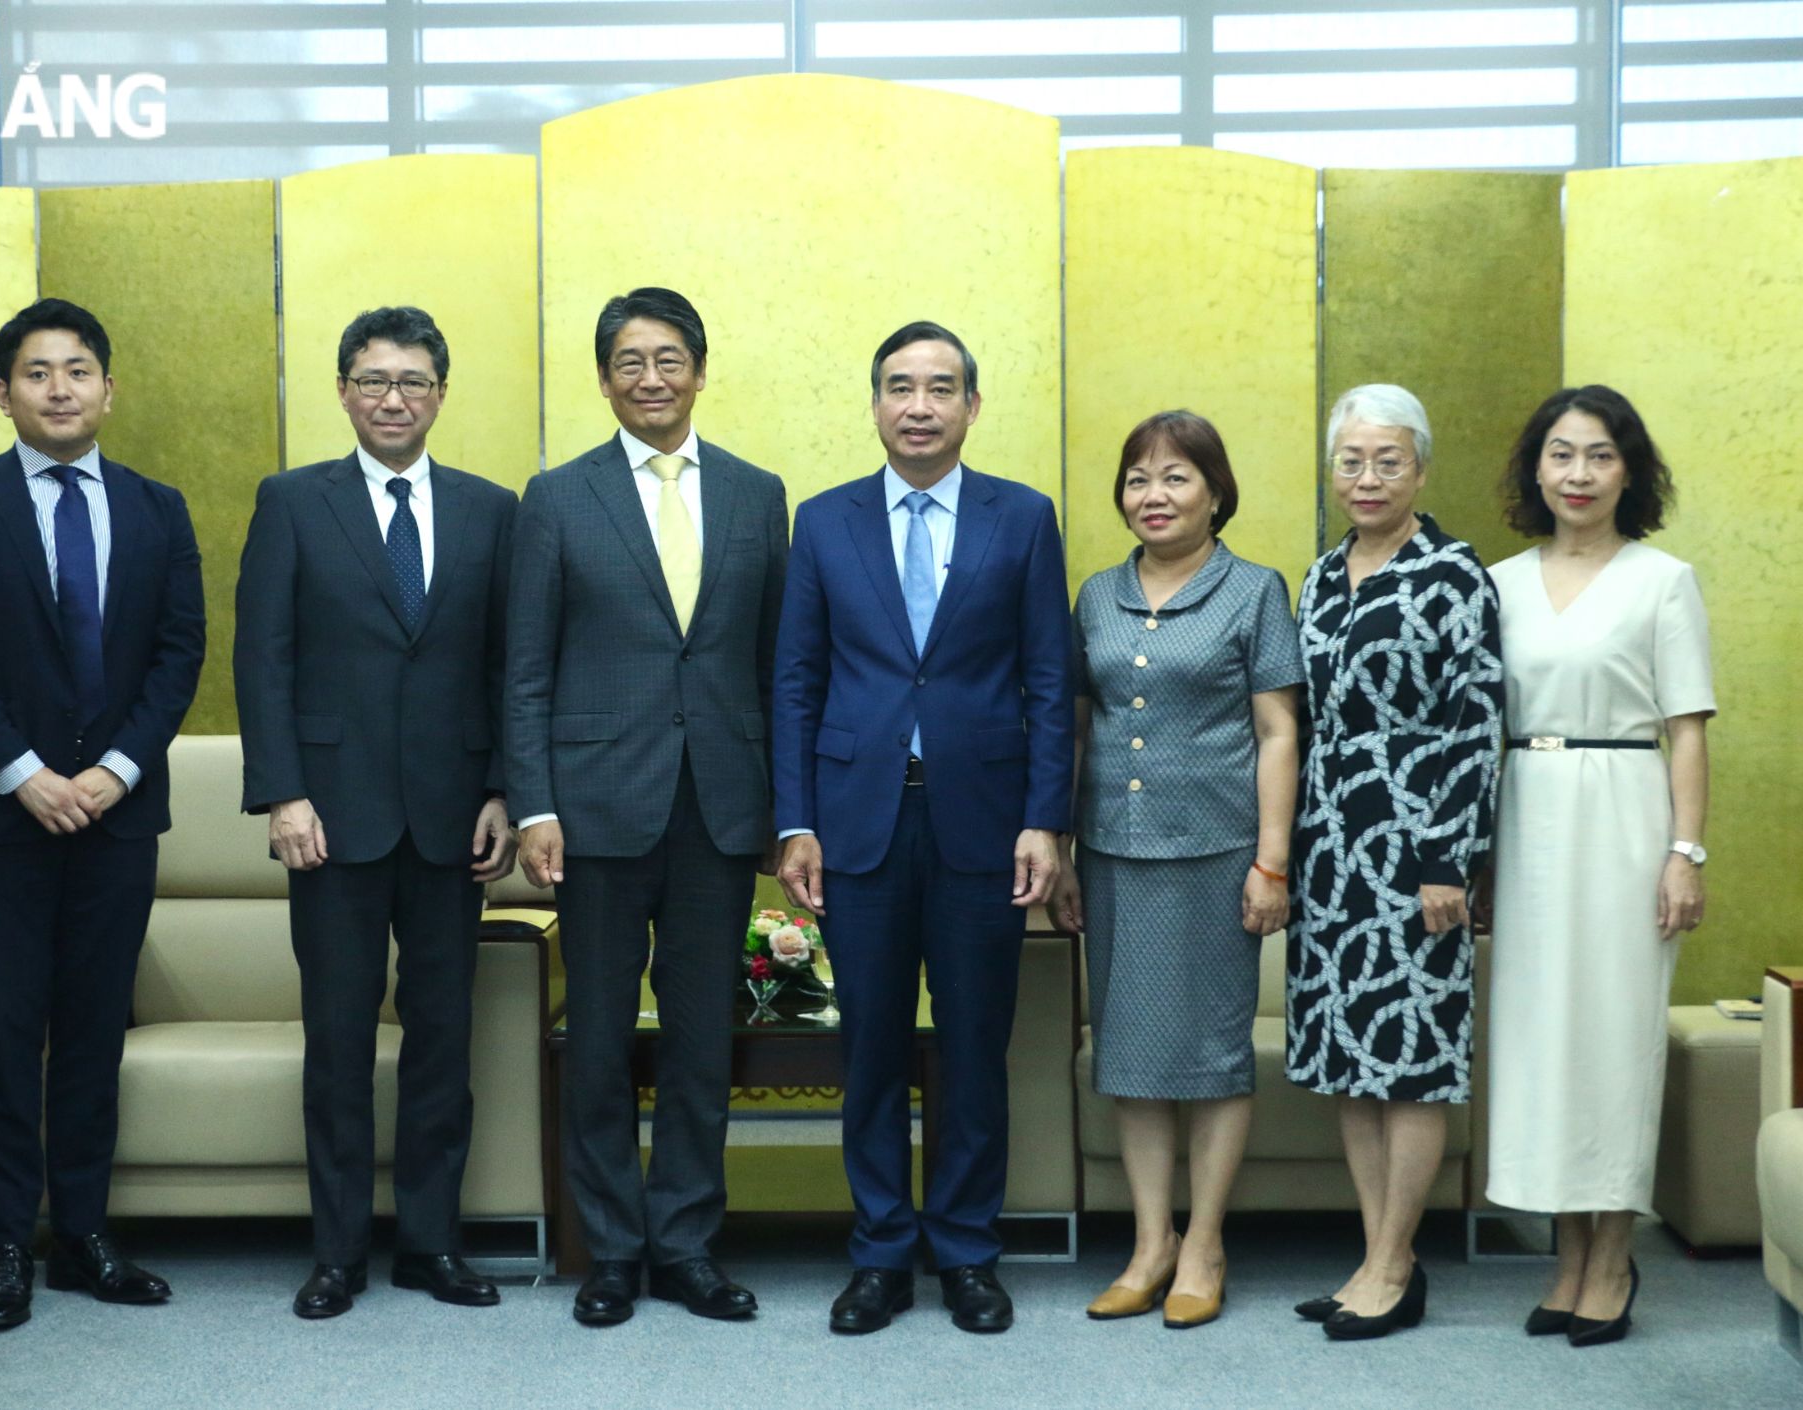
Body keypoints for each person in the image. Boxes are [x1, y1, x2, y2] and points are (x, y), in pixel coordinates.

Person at [0, 298, 205, 1332]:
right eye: (38, 373)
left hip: (117, 817)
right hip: (0, 819)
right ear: (4, 393)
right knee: (3, 1030)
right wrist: (24, 772)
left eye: (79, 370)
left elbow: (179, 653)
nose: (60, 388)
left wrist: (117, 769)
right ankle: (4, 1250)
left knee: (90, 1035)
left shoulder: (159, 508)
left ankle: (82, 1236)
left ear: (108, 390)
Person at [773, 321, 1075, 1336]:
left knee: (975, 1048)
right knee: (865, 1049)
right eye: (898, 386)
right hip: (856, 823)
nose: (918, 404)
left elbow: (1046, 679)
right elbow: (795, 683)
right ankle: (878, 1254)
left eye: (939, 387)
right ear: (872, 404)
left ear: (971, 407)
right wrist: (794, 821)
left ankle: (966, 1250)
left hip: (984, 827)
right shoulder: (822, 522)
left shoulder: (1022, 518)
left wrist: (1046, 818)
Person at [506, 288, 788, 1328]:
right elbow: (524, 668)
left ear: (700, 371)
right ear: (603, 378)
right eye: (629, 361)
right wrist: (533, 800)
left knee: (703, 1039)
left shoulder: (760, 496)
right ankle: (612, 1251)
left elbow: (773, 666)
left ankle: (685, 1245)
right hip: (592, 808)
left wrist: (782, 808)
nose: (651, 378)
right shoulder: (557, 496)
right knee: (595, 1045)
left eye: (668, 359)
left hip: (718, 805)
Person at [234, 306, 518, 1319]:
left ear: (440, 393)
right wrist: (282, 793)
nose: (391, 398)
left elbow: (503, 666)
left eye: (411, 382)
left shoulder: (493, 511)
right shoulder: (292, 502)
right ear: (343, 390)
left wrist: (502, 792)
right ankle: (338, 1253)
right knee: (339, 1039)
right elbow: (260, 657)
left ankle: (433, 1246)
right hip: (331, 818)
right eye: (371, 380)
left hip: (452, 822)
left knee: (444, 1040)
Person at [1048, 411, 1301, 1329]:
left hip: (1219, 853)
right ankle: (1151, 1243)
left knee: (1214, 1054)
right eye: (1138, 480)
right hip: (1115, 851)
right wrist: (1067, 851)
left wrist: (1273, 862)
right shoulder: (1095, 595)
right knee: (1131, 1055)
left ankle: (1205, 1244)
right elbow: (1076, 732)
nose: (1154, 496)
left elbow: (1279, 732)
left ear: (1215, 491)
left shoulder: (1256, 591)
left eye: (1176, 478)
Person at [1483, 386, 1712, 1347]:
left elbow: (1687, 732)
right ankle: (1566, 1258)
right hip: (1524, 811)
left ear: (1631, 470)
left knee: (1613, 1041)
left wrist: (1684, 853)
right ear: (1536, 467)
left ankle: (1612, 1259)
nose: (1580, 475)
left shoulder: (1663, 580)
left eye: (1601, 456)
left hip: (1624, 813)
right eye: (1563, 455)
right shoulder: (1495, 582)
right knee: (1541, 1044)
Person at [1284, 384, 1503, 1340]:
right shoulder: (1322, 577)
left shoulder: (1457, 576)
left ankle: (1391, 1263)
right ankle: (1380, 1258)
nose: (1367, 478)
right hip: (1330, 845)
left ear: (1420, 467)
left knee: (1411, 1054)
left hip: (1420, 854)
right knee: (1350, 1055)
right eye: (1351, 461)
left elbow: (1479, 724)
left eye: (1387, 461)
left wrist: (1450, 856)